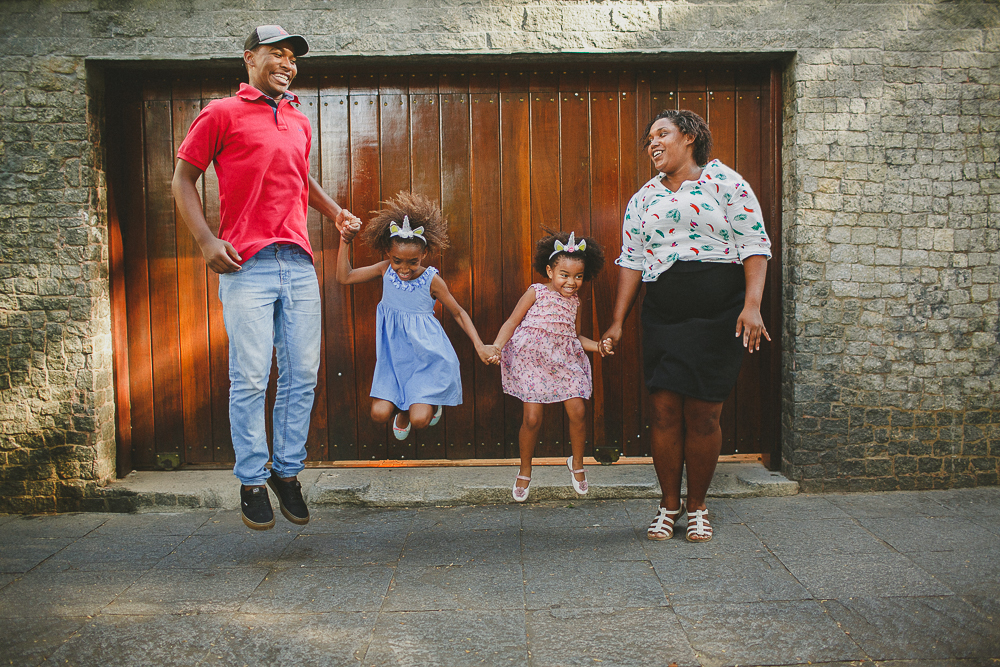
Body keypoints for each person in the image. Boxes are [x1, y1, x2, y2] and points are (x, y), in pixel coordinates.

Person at [172, 25, 358, 531]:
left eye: (293, 58)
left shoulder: (297, 117)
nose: (287, 64)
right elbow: (183, 179)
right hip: (246, 263)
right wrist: (206, 241)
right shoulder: (221, 113)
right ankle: (252, 479)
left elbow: (300, 177)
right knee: (252, 376)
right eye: (277, 54)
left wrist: (335, 212)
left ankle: (286, 471)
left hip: (296, 261)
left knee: (302, 374)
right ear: (249, 58)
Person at [601, 109, 772, 542]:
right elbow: (632, 260)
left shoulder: (725, 182)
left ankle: (697, 506)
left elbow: (754, 243)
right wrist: (617, 321)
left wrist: (752, 306)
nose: (653, 143)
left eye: (662, 134)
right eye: (649, 139)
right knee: (662, 411)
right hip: (664, 312)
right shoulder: (643, 198)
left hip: (719, 311)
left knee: (704, 413)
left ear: (690, 136)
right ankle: (668, 505)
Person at [336, 192, 494, 438]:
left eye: (413, 261)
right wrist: (345, 241)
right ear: (388, 252)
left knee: (420, 420)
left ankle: (430, 400)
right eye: (398, 260)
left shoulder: (431, 280)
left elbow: (458, 312)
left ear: (424, 255)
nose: (404, 268)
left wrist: (480, 345)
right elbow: (344, 277)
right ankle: (403, 406)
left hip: (427, 357)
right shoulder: (385, 270)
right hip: (394, 358)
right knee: (378, 414)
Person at [487, 231, 610, 502]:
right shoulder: (536, 292)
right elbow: (512, 322)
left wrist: (599, 346)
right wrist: (496, 347)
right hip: (531, 361)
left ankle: (577, 463)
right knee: (532, 419)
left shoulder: (575, 303)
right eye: (564, 274)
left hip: (564, 361)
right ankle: (525, 469)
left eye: (578, 276)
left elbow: (576, 337)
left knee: (578, 411)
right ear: (550, 271)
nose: (572, 282)